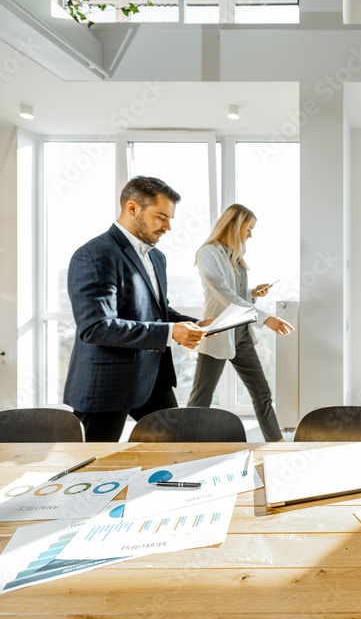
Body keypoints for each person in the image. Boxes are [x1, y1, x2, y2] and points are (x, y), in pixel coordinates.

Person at [64, 176, 205, 442]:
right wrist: (170, 333)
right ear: (132, 208)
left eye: (170, 219)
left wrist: (197, 323)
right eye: (161, 217)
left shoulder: (156, 256)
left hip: (152, 377)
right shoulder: (96, 254)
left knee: (177, 443)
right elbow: (96, 327)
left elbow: (156, 310)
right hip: (106, 382)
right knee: (93, 467)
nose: (168, 227)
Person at [188, 204, 293, 442]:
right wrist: (266, 318)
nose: (250, 235)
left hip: (242, 334)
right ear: (235, 225)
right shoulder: (207, 253)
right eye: (248, 228)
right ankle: (185, 444)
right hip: (219, 332)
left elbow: (239, 295)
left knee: (262, 393)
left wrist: (253, 293)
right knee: (200, 400)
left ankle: (276, 444)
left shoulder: (237, 256)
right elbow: (225, 295)